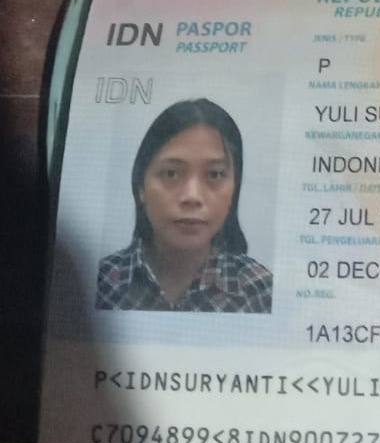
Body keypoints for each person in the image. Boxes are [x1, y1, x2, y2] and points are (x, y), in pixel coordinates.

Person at [96, 99, 272, 313]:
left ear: (234, 188)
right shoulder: (101, 281)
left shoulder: (261, 290)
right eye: (171, 173)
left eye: (214, 174)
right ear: (141, 186)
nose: (192, 196)